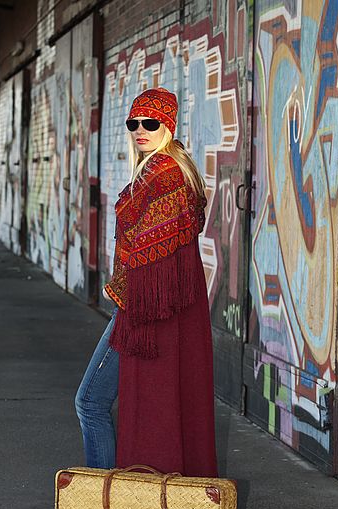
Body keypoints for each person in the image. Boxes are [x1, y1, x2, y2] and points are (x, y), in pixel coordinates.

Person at [78, 86, 218, 475]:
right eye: (134, 123)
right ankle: (109, 502)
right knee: (100, 403)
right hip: (154, 310)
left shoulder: (164, 177)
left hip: (142, 314)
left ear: (168, 126)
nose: (141, 130)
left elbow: (149, 263)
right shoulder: (169, 171)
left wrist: (132, 313)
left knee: (89, 402)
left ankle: (99, 504)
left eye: (151, 122)